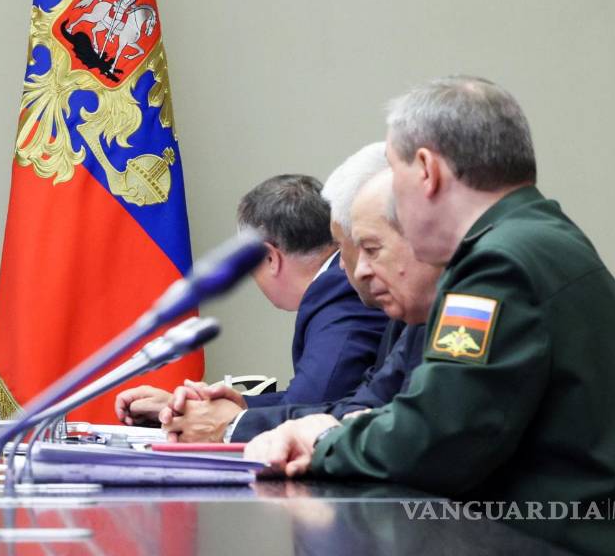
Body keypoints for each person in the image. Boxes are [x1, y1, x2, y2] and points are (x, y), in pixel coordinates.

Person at [246, 77, 615, 556]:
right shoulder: (539, 236)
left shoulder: (497, 265)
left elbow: (436, 440)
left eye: (394, 177)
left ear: (426, 171)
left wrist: (324, 440)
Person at [164, 167, 438, 443]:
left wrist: (230, 423)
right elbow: (360, 400)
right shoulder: (341, 287)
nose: (353, 267)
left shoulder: (340, 291)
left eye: (371, 248)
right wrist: (233, 408)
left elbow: (317, 404)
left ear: (270, 258)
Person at [115, 174, 387, 426]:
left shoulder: (339, 290)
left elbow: (307, 409)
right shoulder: (333, 287)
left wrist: (223, 420)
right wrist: (224, 405)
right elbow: (315, 400)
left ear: (269, 258)